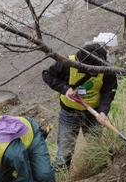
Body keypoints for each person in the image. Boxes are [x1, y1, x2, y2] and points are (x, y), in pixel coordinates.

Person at [42, 41, 118, 170]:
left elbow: (109, 91)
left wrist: (103, 111)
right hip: (69, 113)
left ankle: (100, 172)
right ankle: (60, 176)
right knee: (64, 153)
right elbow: (47, 75)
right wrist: (65, 89)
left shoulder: (105, 69)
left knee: (96, 147)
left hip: (94, 114)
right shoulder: (67, 63)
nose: (94, 73)